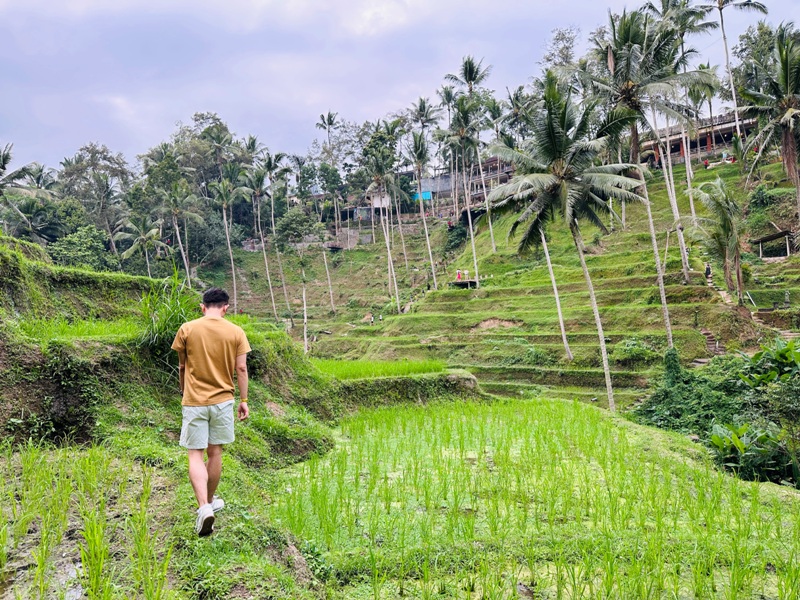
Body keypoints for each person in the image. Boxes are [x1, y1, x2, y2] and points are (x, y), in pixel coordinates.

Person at [171, 288, 251, 537]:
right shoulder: (236, 331)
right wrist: (244, 400)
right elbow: (241, 368)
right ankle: (211, 498)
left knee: (195, 454)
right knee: (215, 452)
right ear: (226, 308)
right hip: (223, 401)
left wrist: (185, 391)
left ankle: (204, 506)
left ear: (202, 307)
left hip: (194, 400)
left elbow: (182, 366)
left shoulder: (187, 328)